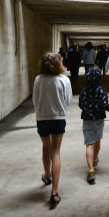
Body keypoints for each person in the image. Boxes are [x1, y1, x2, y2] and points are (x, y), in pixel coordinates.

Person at [32, 52, 72, 206]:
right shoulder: (64, 80)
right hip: (58, 119)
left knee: (45, 146)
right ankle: (54, 191)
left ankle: (47, 175)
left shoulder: (38, 79)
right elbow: (67, 100)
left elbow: (35, 99)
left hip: (42, 118)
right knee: (56, 152)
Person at [79, 67, 109, 184]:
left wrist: (88, 111)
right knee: (97, 140)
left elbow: (81, 105)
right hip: (99, 119)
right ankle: (95, 158)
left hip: (87, 120)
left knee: (89, 143)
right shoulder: (101, 91)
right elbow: (105, 105)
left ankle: (91, 169)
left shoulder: (84, 91)